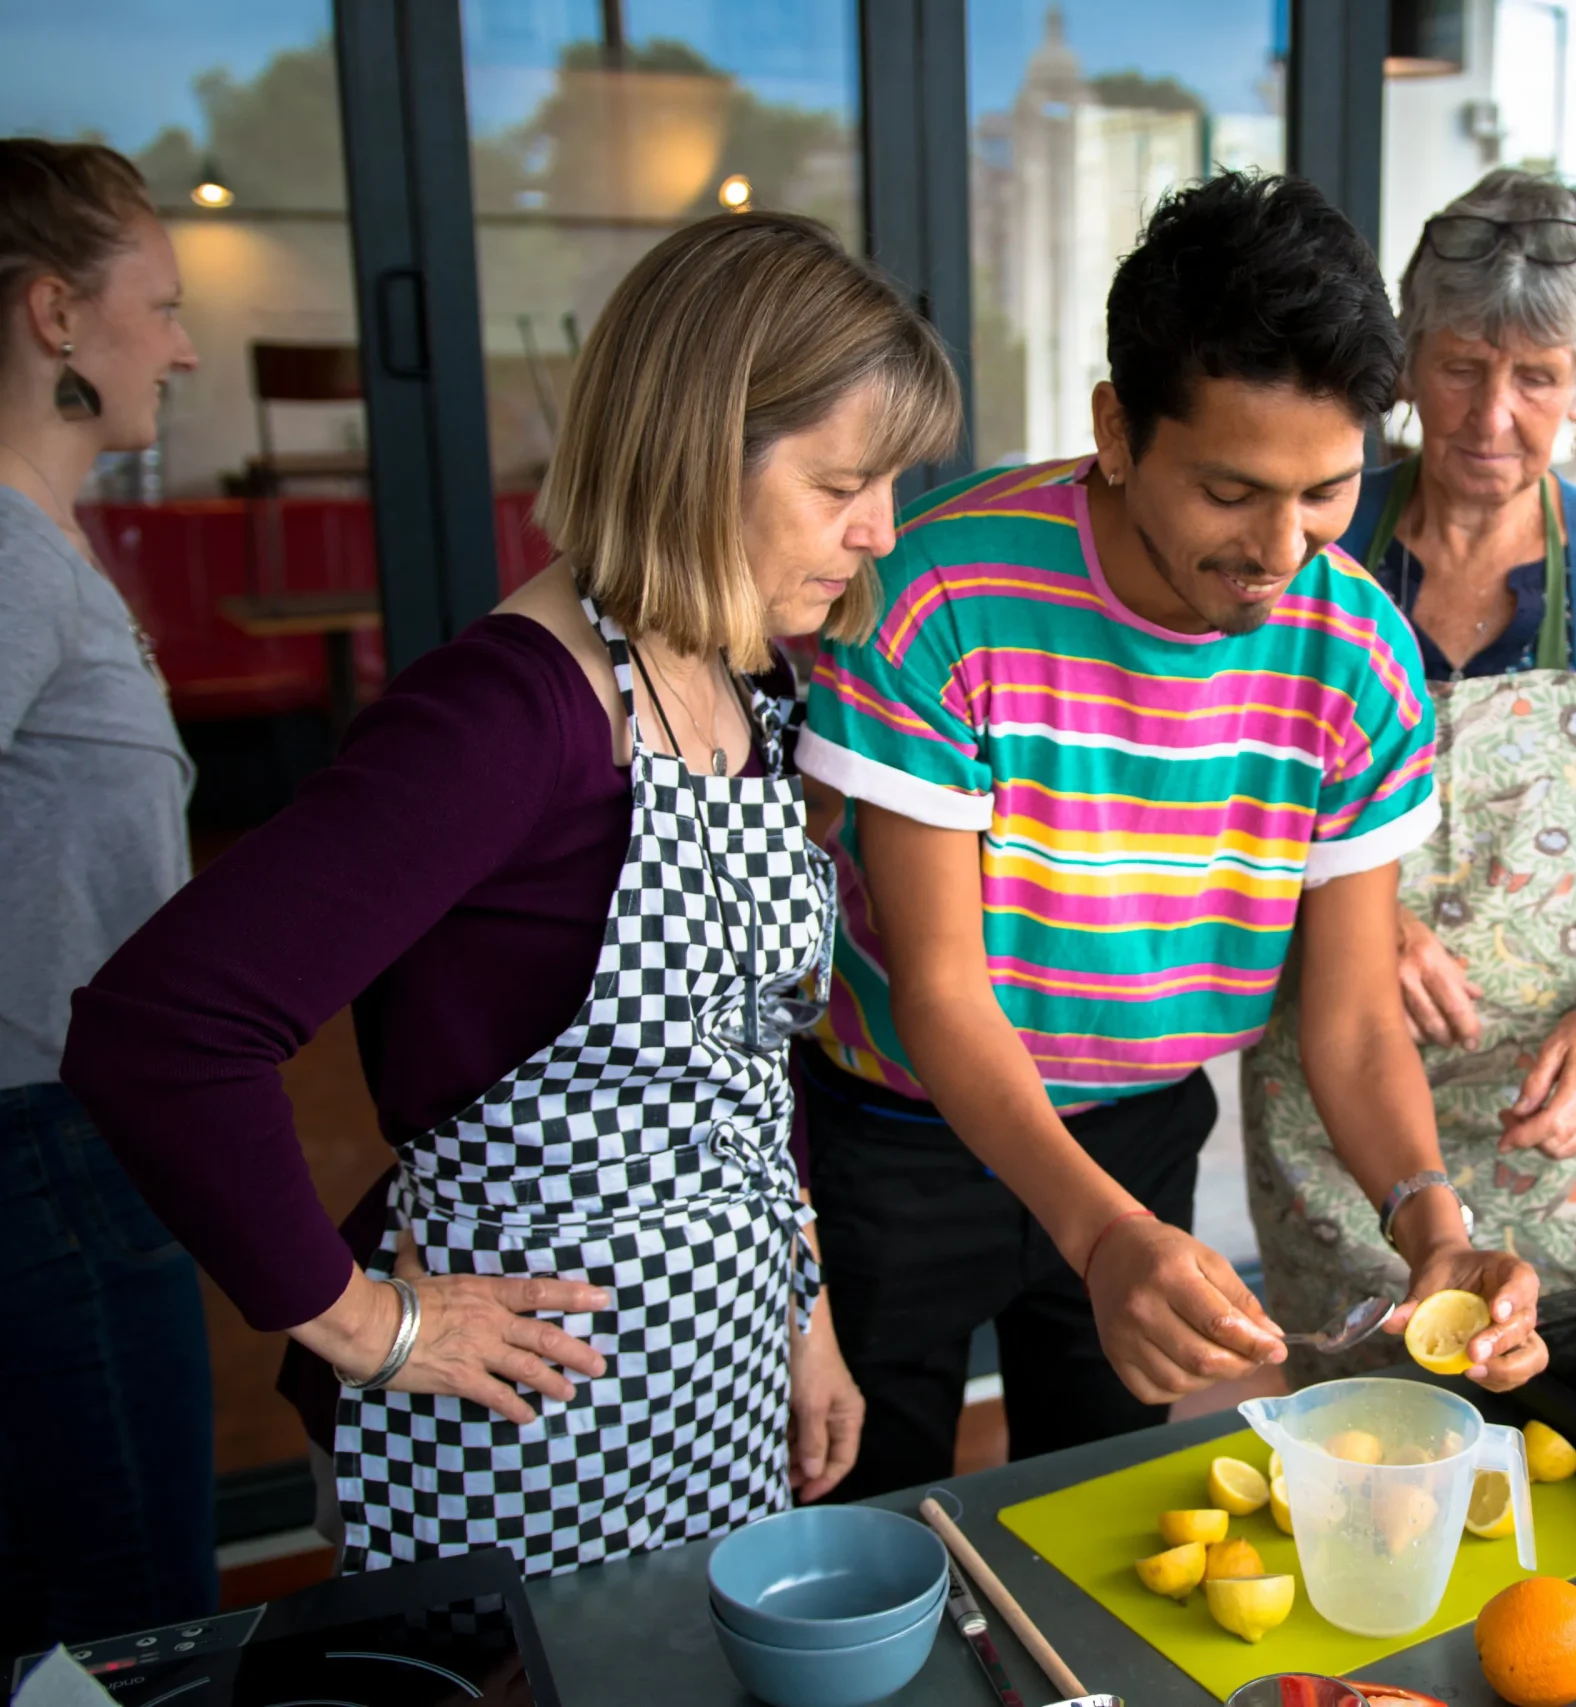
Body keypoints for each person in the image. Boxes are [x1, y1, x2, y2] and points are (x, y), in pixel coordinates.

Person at [63, 211, 961, 1576]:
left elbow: (741, 1070)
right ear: (697, 449)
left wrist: (806, 1323)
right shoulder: (505, 715)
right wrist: (367, 1321)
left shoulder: (745, 680)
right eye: (844, 480)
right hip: (515, 1414)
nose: (880, 529)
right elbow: (162, 1030)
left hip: (718, 1377)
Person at [795, 171, 1546, 1498]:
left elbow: (1357, 1017)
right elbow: (941, 988)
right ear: (1118, 429)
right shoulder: (939, 599)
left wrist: (1434, 1224)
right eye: (1230, 490)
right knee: (873, 1513)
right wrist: (1101, 1238)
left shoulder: (1357, 647)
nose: (1279, 549)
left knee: (1096, 1506)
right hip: (903, 1131)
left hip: (1141, 1121)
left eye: (1326, 492)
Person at [1241, 170, 1576, 1355]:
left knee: (1561, 1426)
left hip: (1553, 1123)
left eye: (1536, 377)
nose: (1489, 415)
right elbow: (1224, 802)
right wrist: (1361, 912)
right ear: (1404, 360)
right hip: (1332, 1106)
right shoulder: (1313, 540)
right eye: (1458, 366)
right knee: (1350, 1436)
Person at [0, 137, 210, 1657]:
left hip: (76, 1140)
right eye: (164, 304)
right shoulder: (6, 556)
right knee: (130, 1626)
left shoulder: (48, 543)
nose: (188, 345)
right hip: (41, 1149)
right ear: (56, 314)